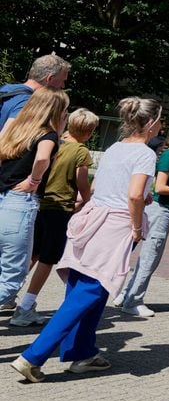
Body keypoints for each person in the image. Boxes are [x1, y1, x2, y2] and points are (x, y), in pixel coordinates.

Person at [10, 97, 157, 382]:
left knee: (87, 286)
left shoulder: (116, 147)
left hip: (94, 217)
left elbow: (105, 185)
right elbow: (135, 195)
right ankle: (33, 356)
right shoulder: (145, 153)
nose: (161, 125)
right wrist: (137, 227)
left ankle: (82, 353)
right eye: (160, 120)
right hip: (116, 223)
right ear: (150, 123)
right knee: (89, 290)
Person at [9, 108, 97, 327]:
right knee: (48, 259)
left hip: (37, 203)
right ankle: (26, 307)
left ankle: (8, 293)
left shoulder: (54, 143)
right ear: (89, 132)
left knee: (30, 253)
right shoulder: (80, 152)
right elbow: (82, 182)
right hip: (59, 209)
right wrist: (87, 200)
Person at [117, 123, 169, 316]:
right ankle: (133, 300)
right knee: (151, 255)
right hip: (160, 209)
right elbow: (160, 187)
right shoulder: (168, 158)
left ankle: (126, 294)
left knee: (150, 254)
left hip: (166, 210)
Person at [0, 88, 69, 312]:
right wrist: (34, 179)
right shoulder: (47, 135)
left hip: (3, 196)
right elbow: (42, 157)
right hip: (20, 203)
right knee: (12, 278)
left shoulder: (15, 131)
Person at [0, 54, 70, 136]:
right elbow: (5, 138)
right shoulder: (29, 102)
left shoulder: (5, 89)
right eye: (62, 80)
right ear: (50, 78)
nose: (63, 86)